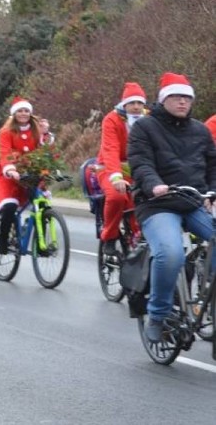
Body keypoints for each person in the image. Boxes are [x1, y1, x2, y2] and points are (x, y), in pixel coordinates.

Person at [128, 72, 216, 343]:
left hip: (192, 202)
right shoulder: (144, 127)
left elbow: (213, 165)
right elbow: (140, 163)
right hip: (157, 204)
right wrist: (154, 184)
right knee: (170, 253)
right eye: (177, 97)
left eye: (187, 98)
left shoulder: (200, 131)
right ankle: (158, 313)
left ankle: (210, 292)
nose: (182, 102)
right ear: (164, 99)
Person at [95, 82, 147, 255]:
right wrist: (116, 177)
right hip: (109, 169)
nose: (136, 107)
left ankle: (140, 237)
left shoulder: (149, 118)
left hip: (138, 170)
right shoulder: (112, 119)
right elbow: (110, 149)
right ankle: (109, 235)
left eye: (140, 103)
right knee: (117, 197)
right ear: (124, 104)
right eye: (132, 103)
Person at [0, 96, 42, 255]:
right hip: (8, 176)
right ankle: (3, 240)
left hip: (28, 174)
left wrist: (48, 167)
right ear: (14, 114)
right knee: (10, 207)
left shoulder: (36, 130)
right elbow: (5, 152)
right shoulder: (6, 131)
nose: (23, 113)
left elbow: (41, 152)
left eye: (26, 110)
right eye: (20, 110)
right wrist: (10, 169)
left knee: (41, 204)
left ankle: (40, 242)